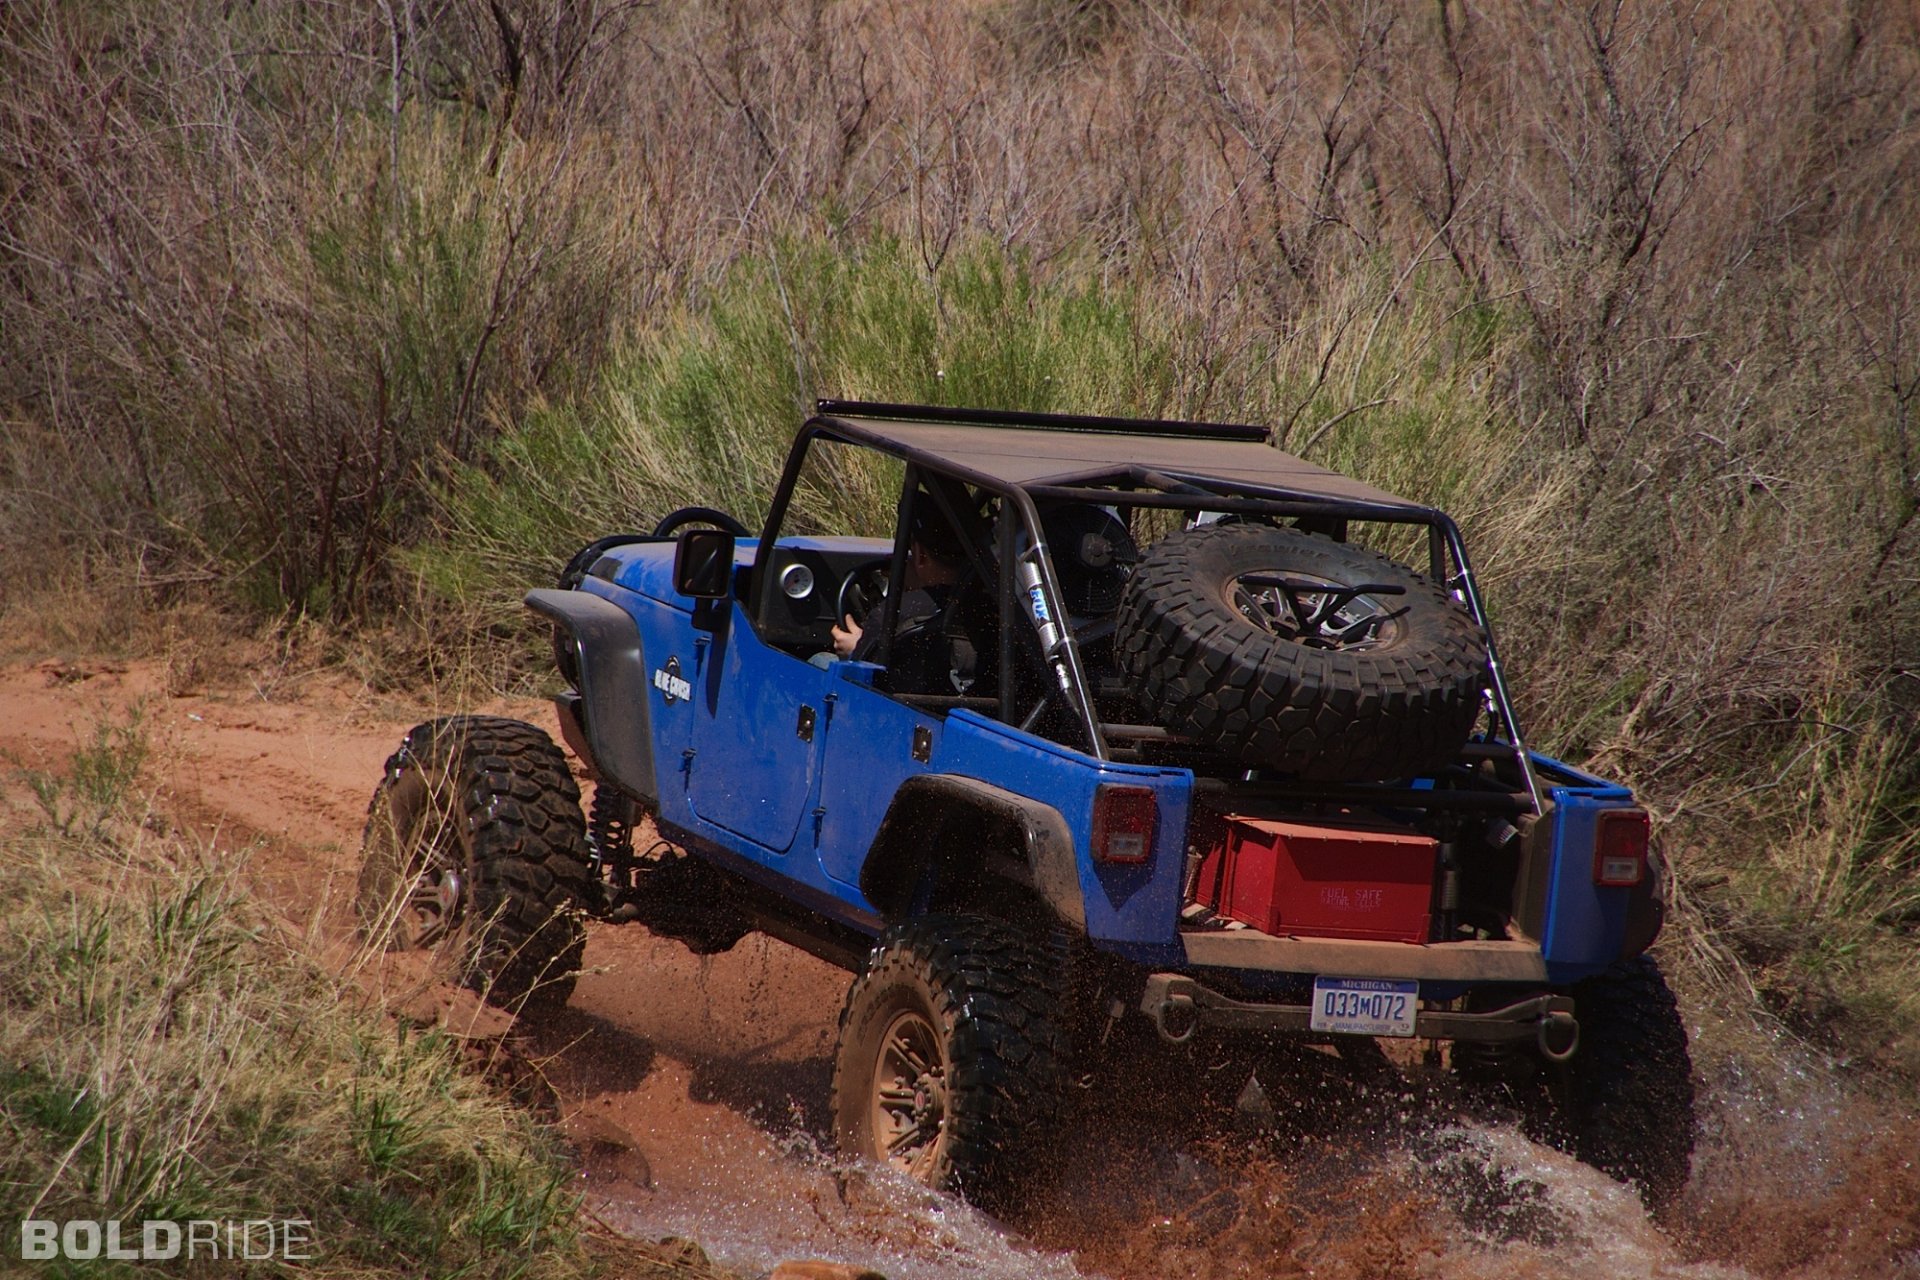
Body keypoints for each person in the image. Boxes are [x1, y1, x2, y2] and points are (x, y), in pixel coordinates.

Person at [830, 504, 973, 692]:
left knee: (820, 660)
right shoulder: (994, 607)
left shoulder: (891, 615)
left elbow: (862, 682)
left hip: (903, 709)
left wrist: (856, 648)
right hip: (963, 704)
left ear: (921, 555)